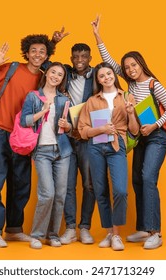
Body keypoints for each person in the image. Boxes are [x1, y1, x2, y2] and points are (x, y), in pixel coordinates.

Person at [0, 29, 69, 248]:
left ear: (47, 56)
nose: (37, 54)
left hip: (25, 136)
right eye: (33, 50)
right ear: (26, 53)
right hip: (1, 131)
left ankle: (15, 229)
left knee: (21, 183)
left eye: (42, 52)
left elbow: (57, 71)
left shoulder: (44, 77)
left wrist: (53, 43)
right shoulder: (10, 69)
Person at [91, 15, 166, 249]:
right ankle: (143, 228)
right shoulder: (128, 83)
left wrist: (156, 125)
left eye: (134, 65)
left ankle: (155, 232)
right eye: (127, 67)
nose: (130, 69)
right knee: (137, 180)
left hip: (156, 138)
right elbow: (107, 62)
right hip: (139, 138)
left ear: (141, 64)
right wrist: (98, 36)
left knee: (149, 178)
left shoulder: (153, 84)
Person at [78, 62, 139, 251]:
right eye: (102, 76)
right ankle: (109, 233)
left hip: (117, 144)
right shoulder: (92, 101)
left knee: (120, 190)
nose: (106, 78)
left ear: (114, 75)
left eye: (109, 74)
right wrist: (100, 129)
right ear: (98, 80)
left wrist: (130, 114)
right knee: (100, 190)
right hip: (95, 147)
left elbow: (135, 131)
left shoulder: (127, 96)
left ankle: (117, 235)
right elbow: (82, 130)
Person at [20, 62, 73, 249]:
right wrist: (43, 110)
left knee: (59, 195)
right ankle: (37, 235)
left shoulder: (64, 99)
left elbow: (71, 128)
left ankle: (53, 235)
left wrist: (67, 126)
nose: (56, 76)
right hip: (41, 151)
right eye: (53, 72)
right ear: (47, 73)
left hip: (62, 151)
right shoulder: (33, 97)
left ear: (62, 79)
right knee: (47, 194)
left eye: (60, 74)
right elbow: (24, 120)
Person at [59, 43, 96, 245]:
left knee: (89, 183)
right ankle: (70, 228)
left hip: (87, 138)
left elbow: (112, 85)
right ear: (71, 58)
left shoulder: (97, 74)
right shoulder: (66, 74)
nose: (79, 60)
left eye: (83, 56)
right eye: (75, 56)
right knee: (67, 185)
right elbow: (46, 66)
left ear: (90, 58)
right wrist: (54, 42)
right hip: (66, 137)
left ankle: (85, 227)